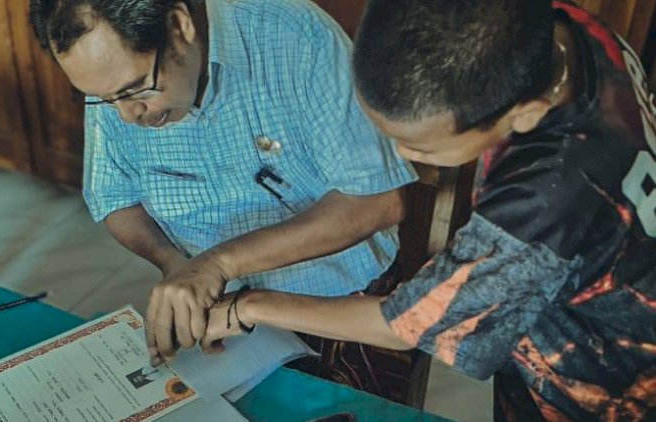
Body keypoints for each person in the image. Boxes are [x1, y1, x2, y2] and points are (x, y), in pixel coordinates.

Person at [200, 0, 656, 420]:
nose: (399, 156)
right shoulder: (554, 28)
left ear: (525, 114)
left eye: (420, 148)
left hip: (608, 382)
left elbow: (405, 324)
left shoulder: (538, 207)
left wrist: (250, 306)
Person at [28, 0, 416, 361]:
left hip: (336, 309)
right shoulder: (115, 80)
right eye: (104, 99)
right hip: (215, 313)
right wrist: (175, 264)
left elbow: (378, 202)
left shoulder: (294, 37)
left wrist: (217, 265)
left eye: (135, 90)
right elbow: (116, 199)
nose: (127, 116)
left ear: (179, 25)